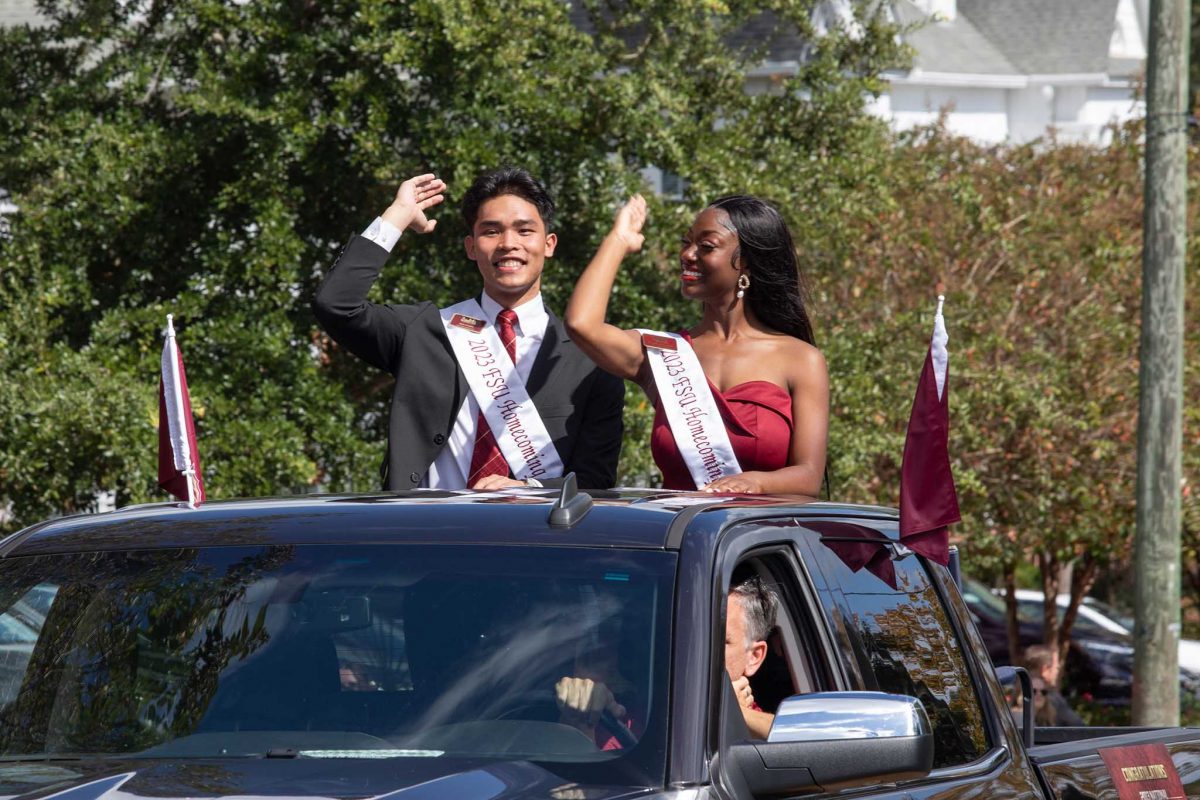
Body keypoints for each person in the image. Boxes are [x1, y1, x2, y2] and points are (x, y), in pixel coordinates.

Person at [313, 169, 625, 491]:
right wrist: (397, 216)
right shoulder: (426, 331)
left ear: (549, 244)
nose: (508, 244)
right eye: (491, 231)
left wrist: (529, 490)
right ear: (471, 247)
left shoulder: (591, 360)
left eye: (524, 230)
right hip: (427, 534)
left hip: (533, 537)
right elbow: (336, 305)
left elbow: (596, 483)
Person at [563, 194, 828, 494]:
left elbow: (808, 476)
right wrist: (619, 239)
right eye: (686, 242)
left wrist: (754, 482)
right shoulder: (664, 354)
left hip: (761, 537)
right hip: (681, 536)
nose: (688, 254)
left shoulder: (800, 359)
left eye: (706, 246)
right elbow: (581, 324)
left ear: (747, 263)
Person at [555, 573, 780, 743]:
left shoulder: (754, 727)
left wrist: (734, 715)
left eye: (713, 639)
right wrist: (579, 717)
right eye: (676, 634)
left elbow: (808, 748)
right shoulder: (619, 714)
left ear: (754, 657)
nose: (688, 650)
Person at [1022, 644, 1085, 726]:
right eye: (1056, 668)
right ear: (1044, 669)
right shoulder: (1051, 698)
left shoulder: (1013, 695)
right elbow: (1077, 725)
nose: (1057, 671)